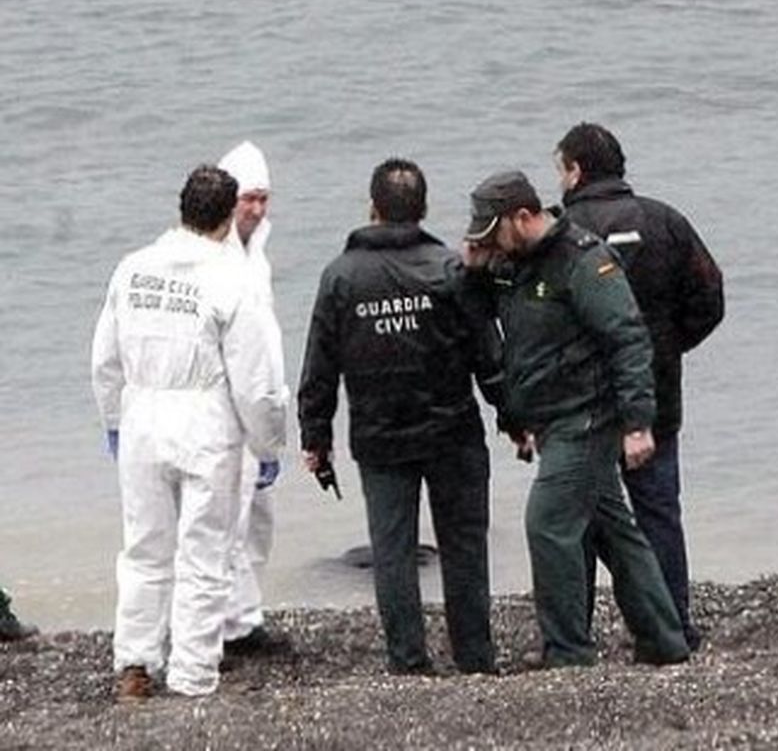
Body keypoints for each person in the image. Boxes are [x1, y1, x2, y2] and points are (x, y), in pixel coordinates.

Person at [463, 169, 689, 668]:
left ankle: (568, 651)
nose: (489, 244)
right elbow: (479, 309)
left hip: (586, 418)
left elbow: (628, 339)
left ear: (522, 217)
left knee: (547, 524)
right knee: (614, 533)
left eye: (491, 233)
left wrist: (637, 423)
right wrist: (473, 267)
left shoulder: (584, 261)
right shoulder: (515, 264)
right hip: (549, 418)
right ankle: (665, 640)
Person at [299, 158, 502, 675]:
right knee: (463, 545)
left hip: (380, 436)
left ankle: (408, 661)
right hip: (452, 431)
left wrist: (315, 436)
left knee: (392, 550)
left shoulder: (341, 276)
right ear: (424, 209)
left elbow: (320, 365)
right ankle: (475, 658)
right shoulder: (449, 269)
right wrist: (515, 414)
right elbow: (488, 353)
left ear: (372, 209)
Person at [91, 165, 287, 700]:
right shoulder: (231, 279)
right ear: (228, 217)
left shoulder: (133, 269)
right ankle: (193, 673)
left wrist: (113, 419)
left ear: (180, 208)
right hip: (205, 422)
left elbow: (105, 359)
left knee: (144, 548)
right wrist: (267, 443)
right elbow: (256, 380)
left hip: (143, 418)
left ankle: (134, 661)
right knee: (204, 552)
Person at [553, 123, 724, 650]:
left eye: (559, 169)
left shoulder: (561, 232)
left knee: (576, 518)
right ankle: (672, 624)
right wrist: (667, 347)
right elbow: (709, 298)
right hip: (655, 395)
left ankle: (574, 635)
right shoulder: (665, 221)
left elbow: (538, 320)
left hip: (579, 401)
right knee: (657, 513)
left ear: (576, 171)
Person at [216, 141, 290, 656]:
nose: (258, 210)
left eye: (264, 198)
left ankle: (246, 612)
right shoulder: (211, 258)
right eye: (249, 199)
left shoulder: (257, 254)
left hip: (261, 407)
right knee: (225, 522)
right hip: (224, 412)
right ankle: (226, 625)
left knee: (257, 519)